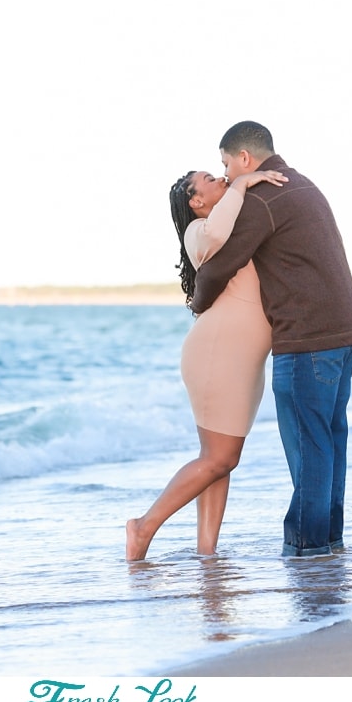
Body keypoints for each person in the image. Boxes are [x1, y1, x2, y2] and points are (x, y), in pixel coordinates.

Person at [191, 121, 352, 557]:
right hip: (343, 332)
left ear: (244, 158)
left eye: (226, 164)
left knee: (309, 445)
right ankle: (329, 543)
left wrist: (197, 303)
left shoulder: (264, 198)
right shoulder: (303, 186)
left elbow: (216, 267)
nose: (227, 175)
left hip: (307, 338)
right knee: (329, 441)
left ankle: (306, 549)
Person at [125, 166, 287, 561]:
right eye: (210, 179)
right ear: (196, 202)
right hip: (219, 353)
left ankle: (206, 552)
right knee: (220, 457)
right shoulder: (198, 231)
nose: (221, 179)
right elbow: (216, 232)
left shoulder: (234, 222)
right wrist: (245, 182)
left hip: (242, 358)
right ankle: (142, 528)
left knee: (218, 460)